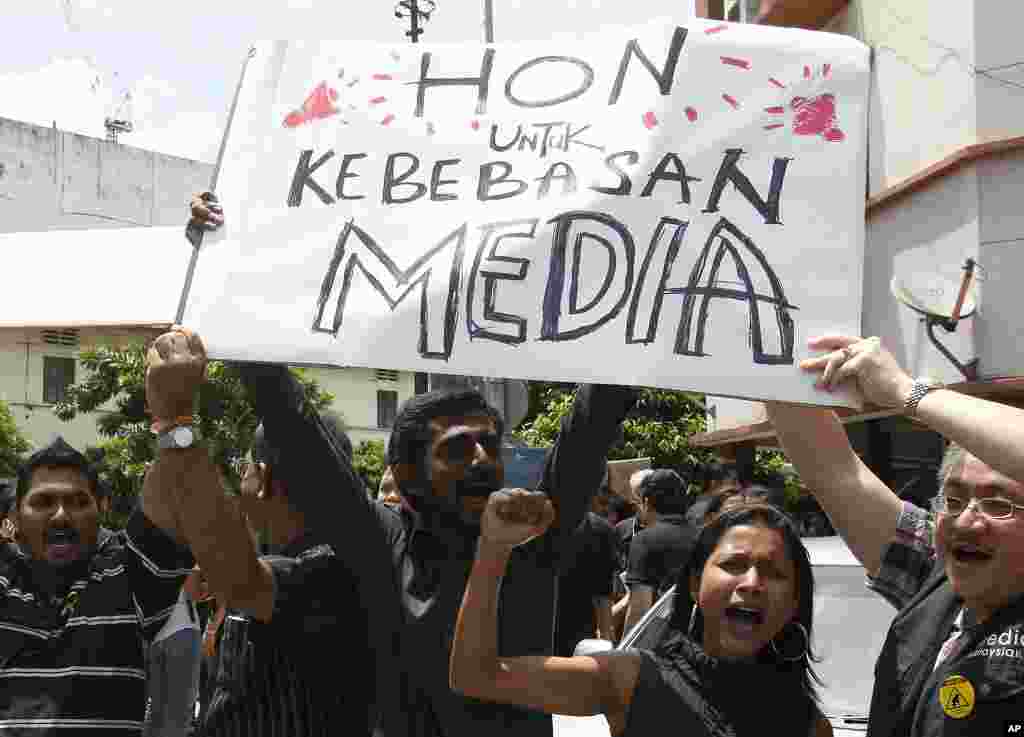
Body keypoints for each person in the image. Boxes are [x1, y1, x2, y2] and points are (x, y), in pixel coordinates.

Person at [189, 191, 638, 737]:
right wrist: (229, 265)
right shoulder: (381, 544)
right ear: (406, 475)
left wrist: (640, 257)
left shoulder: (534, 531)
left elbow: (592, 422)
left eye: (490, 444)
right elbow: (300, 434)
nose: (481, 459)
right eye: (455, 449)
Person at [767, 334, 1024, 735]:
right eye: (953, 500)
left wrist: (907, 392)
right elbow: (835, 472)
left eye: (997, 504)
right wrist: (781, 344)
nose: (965, 522)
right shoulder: (931, 578)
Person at [142, 328, 385, 737]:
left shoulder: (331, 572)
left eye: (247, 464)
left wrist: (175, 420)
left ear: (264, 476)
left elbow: (243, 582)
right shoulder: (275, 558)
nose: (241, 476)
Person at [450, 494, 832, 737]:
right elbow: (476, 676)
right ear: (696, 586)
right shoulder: (633, 680)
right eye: (734, 565)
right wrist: (493, 548)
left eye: (774, 572)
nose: (752, 583)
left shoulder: (810, 726)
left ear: (794, 601)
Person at [0, 437, 194, 734]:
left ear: (100, 508)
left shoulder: (128, 576)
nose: (61, 515)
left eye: (78, 502)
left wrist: (173, 425)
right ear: (15, 516)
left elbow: (174, 484)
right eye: (43, 502)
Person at [622, 469, 698, 635]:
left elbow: (639, 608)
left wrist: (623, 654)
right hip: (699, 642)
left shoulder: (644, 540)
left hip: (663, 646)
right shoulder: (703, 536)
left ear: (647, 502)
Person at [145, 572, 202, 737]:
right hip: (182, 627)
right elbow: (193, 590)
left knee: (155, 710)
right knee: (178, 714)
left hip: (154, 631)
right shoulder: (186, 549)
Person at [554, 509, 619, 656]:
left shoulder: (528, 521)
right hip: (578, 639)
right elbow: (604, 595)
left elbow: (604, 593)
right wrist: (605, 640)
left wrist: (605, 639)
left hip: (571, 638)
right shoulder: (600, 529)